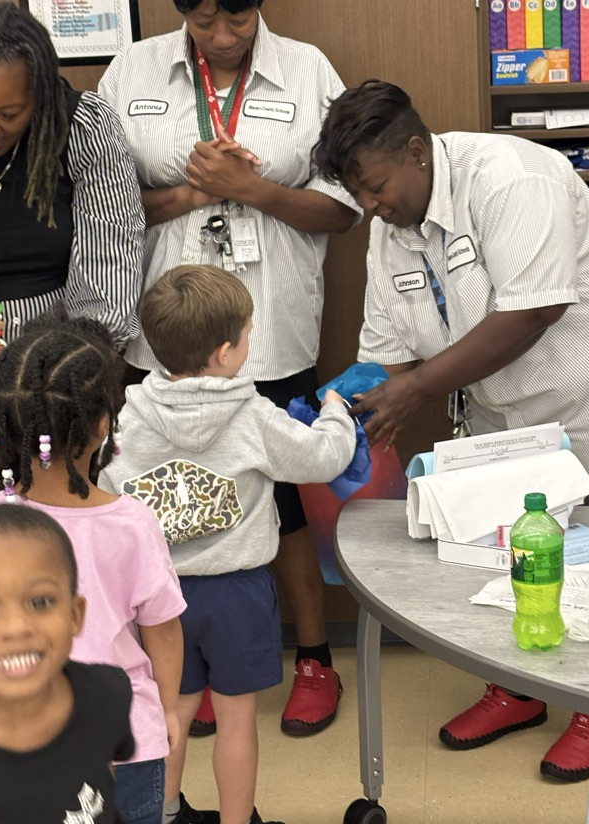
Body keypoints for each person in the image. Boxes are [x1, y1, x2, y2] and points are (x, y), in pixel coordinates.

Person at [314, 78, 589, 782]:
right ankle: (522, 690)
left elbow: (535, 311)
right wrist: (344, 405)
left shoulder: (509, 178)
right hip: (520, 420)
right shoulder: (389, 233)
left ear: (415, 150)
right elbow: (386, 354)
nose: (370, 207)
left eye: (375, 186)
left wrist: (419, 388)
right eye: (359, 195)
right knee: (517, 549)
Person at [98, 0, 359, 740]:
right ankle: (193, 661)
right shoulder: (132, 70)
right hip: (164, 341)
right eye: (202, 21)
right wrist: (187, 193)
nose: (219, 37)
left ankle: (313, 656)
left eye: (236, 21)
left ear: (260, 5)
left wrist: (253, 191)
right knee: (170, 502)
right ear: (180, 12)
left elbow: (347, 208)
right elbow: (100, 207)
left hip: (266, 334)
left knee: (277, 499)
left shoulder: (308, 70)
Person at [99, 264, 357, 824]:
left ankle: (161, 812)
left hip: (156, 601)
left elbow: (106, 495)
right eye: (246, 335)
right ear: (223, 353)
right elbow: (322, 459)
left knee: (171, 711)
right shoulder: (253, 415)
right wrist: (335, 411)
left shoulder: (126, 421)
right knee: (237, 718)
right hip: (238, 593)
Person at [0, 309, 187, 824]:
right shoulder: (133, 524)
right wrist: (171, 709)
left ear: (4, 427)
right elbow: (163, 631)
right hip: (126, 737)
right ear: (102, 425)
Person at [0, 0, 145, 503]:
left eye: (9, 113)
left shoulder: (85, 129)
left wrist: (45, 393)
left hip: (57, 382)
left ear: (42, 93)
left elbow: (108, 265)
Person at [0, 503, 135, 824]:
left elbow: (102, 770)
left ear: (75, 615)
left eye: (40, 602)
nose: (16, 627)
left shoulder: (108, 693)